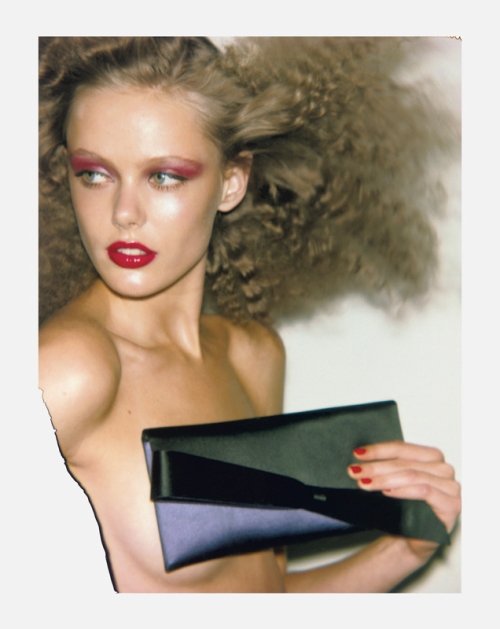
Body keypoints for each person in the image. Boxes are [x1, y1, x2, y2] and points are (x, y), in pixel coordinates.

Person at [38, 36, 461, 593]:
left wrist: (405, 550)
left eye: (164, 176)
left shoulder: (253, 355)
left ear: (231, 183)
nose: (124, 213)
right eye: (95, 173)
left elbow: (263, 589)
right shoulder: (69, 368)